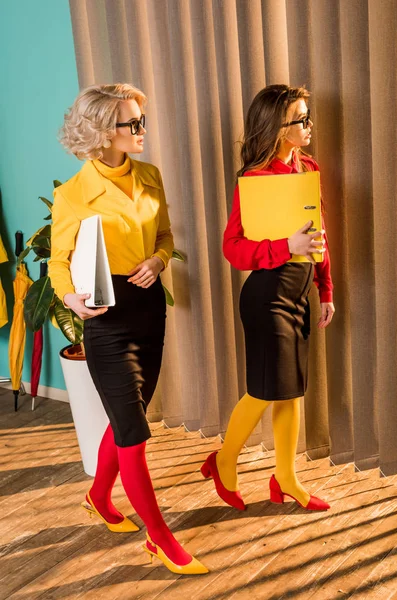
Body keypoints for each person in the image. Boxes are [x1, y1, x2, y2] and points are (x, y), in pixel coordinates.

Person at [48, 83, 207, 575]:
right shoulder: (73, 195)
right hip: (106, 317)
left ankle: (98, 497)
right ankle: (159, 539)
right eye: (132, 124)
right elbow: (58, 263)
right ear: (102, 132)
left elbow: (164, 234)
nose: (142, 130)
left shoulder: (151, 175)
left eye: (142, 120)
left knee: (128, 417)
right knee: (134, 432)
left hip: (147, 305)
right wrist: (72, 298)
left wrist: (159, 261)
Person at [201, 84, 334, 512]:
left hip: (299, 293)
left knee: (291, 391)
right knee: (263, 390)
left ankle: (286, 480)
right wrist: (284, 247)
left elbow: (319, 237)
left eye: (307, 116)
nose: (309, 125)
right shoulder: (254, 180)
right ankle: (223, 461)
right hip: (265, 295)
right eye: (301, 118)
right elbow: (232, 248)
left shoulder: (307, 168)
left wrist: (325, 288)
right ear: (278, 128)